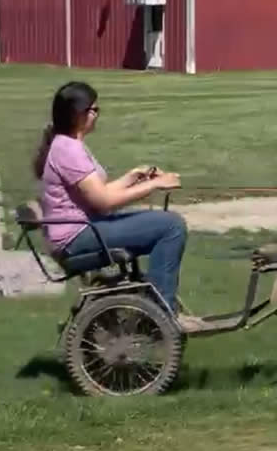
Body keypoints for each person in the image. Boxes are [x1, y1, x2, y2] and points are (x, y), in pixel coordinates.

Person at [32, 80, 187, 315]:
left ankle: (155, 304)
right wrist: (154, 184)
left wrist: (133, 177)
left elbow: (99, 193)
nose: (97, 115)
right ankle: (161, 312)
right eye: (94, 109)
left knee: (164, 223)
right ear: (77, 114)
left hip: (82, 229)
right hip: (76, 237)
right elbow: (103, 202)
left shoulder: (69, 145)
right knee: (171, 226)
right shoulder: (68, 150)